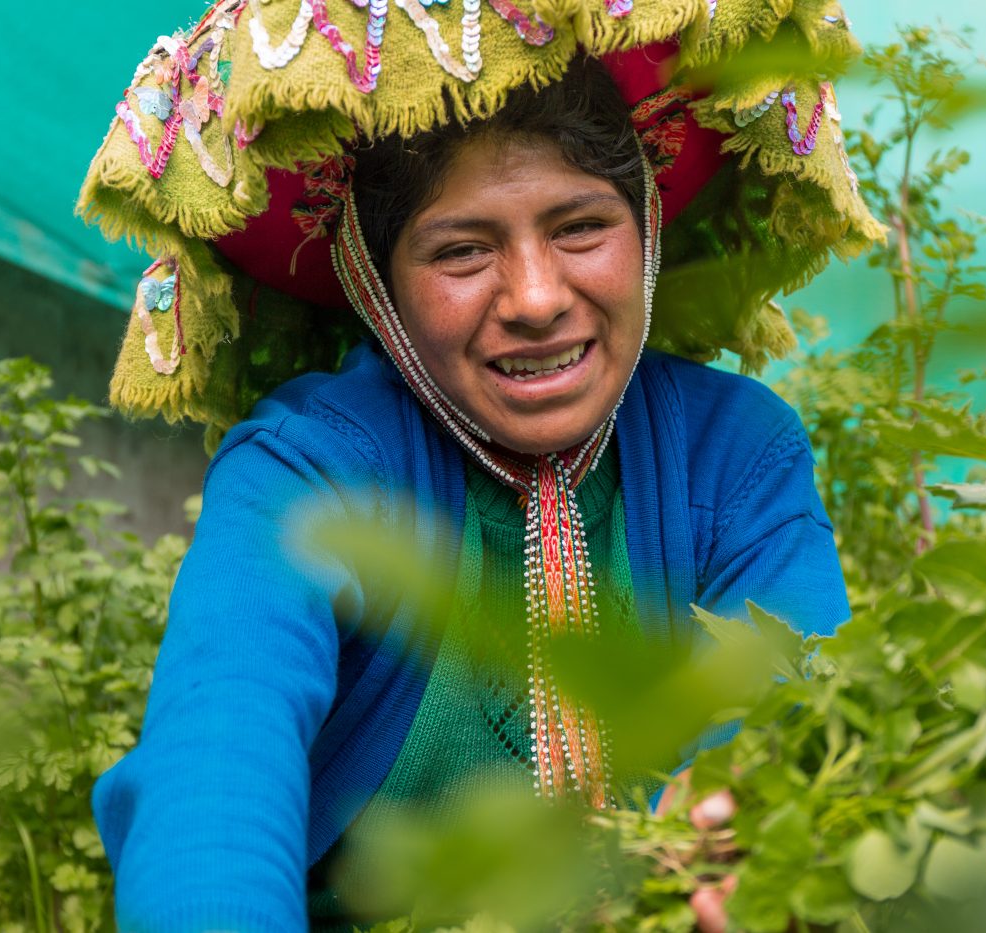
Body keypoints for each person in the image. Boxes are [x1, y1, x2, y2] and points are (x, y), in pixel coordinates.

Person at [77, 1, 882, 929]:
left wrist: (744, 805)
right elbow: (210, 787)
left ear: (649, 229)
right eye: (461, 250)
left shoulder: (733, 458)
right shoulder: (310, 473)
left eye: (582, 227)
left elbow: (794, 726)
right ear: (376, 284)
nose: (538, 299)